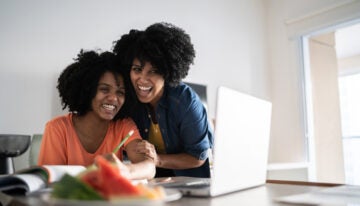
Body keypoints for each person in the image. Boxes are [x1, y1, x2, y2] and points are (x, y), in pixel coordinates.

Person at [113, 22, 214, 178]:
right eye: (137, 69)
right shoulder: (129, 101)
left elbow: (198, 156)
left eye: (153, 71)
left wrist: (158, 160)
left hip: (190, 183)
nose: (142, 79)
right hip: (154, 182)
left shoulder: (184, 100)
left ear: (167, 74)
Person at [37, 50, 155, 180]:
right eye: (104, 89)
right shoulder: (57, 128)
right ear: (87, 90)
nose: (114, 98)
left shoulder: (124, 125)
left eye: (120, 93)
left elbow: (149, 167)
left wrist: (125, 171)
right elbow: (48, 178)